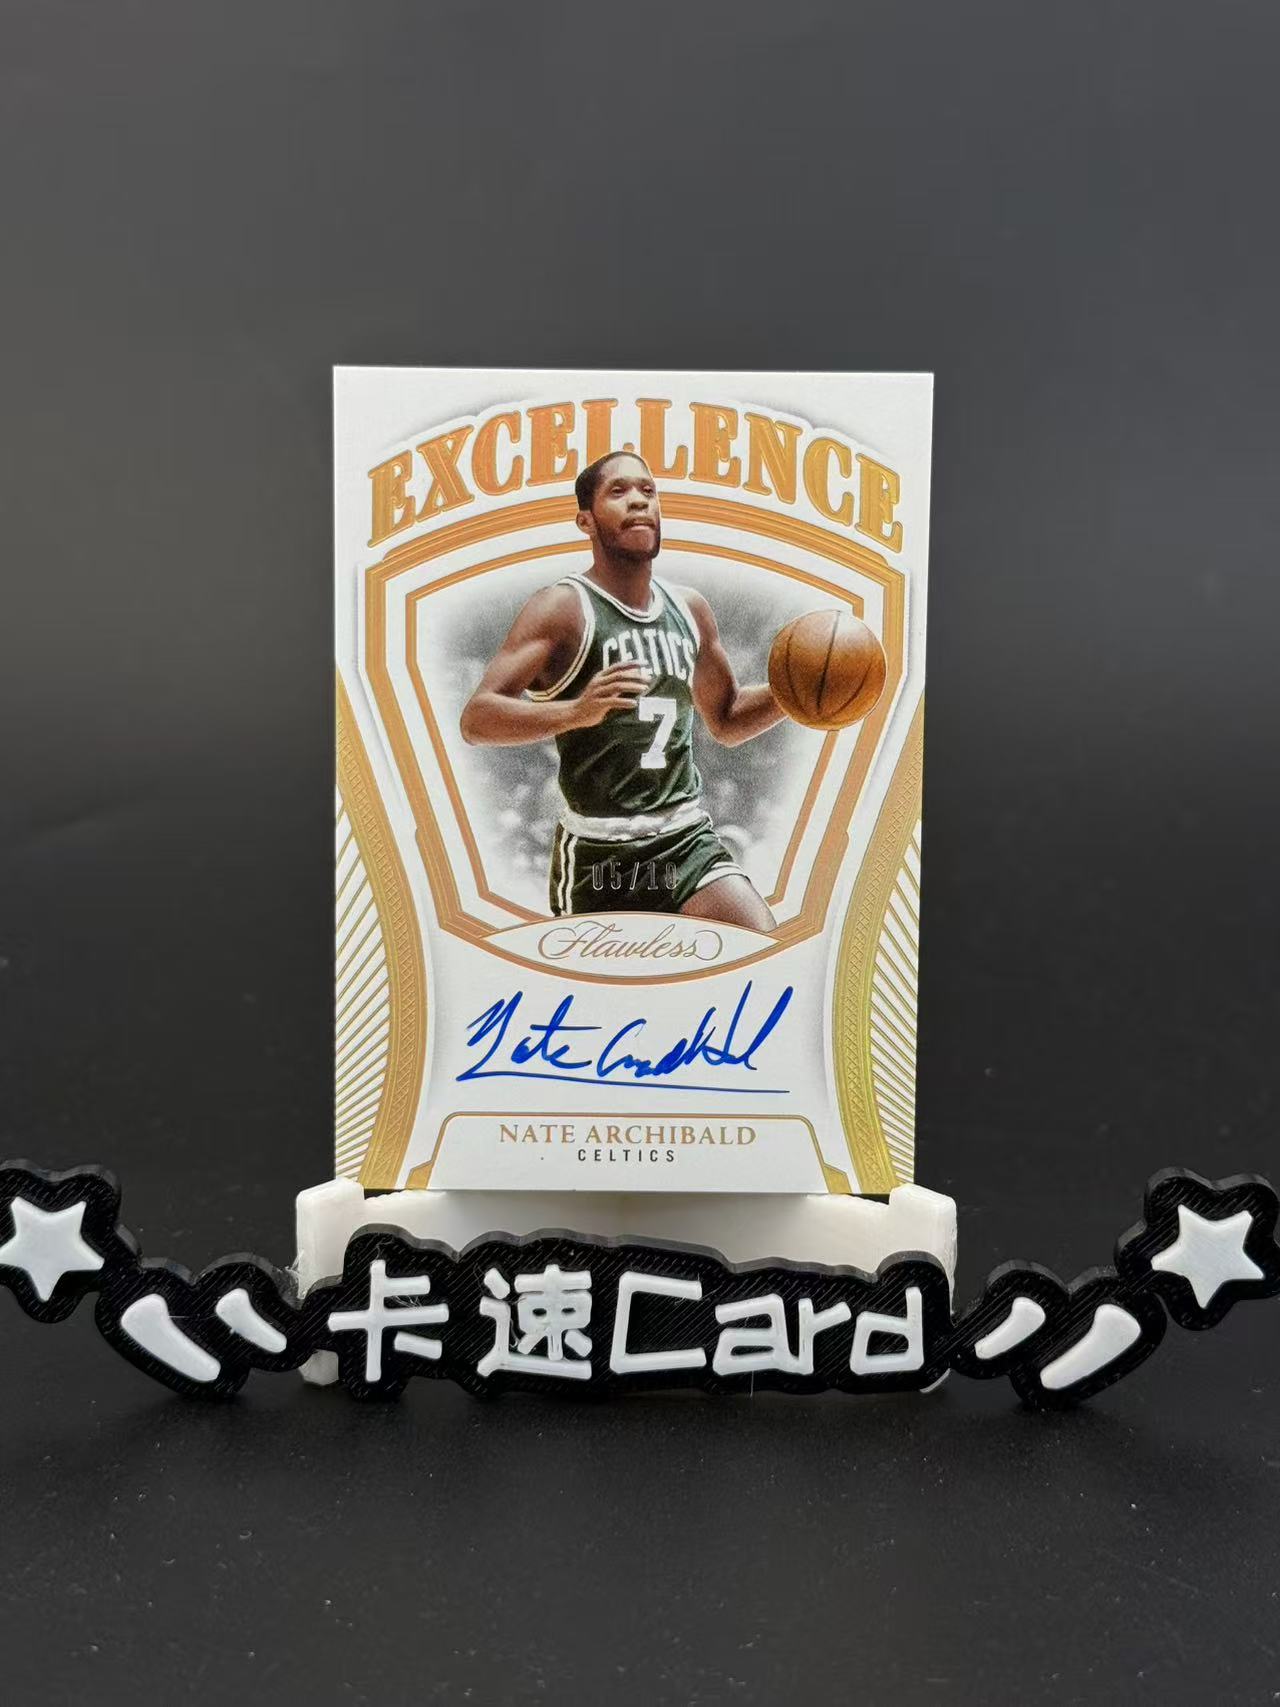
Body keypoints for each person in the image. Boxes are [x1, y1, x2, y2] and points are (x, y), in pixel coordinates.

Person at [459, 451, 784, 928]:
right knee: (605, 975)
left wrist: (793, 693)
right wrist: (577, 711)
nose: (638, 501)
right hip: (600, 854)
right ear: (585, 521)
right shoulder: (561, 608)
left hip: (684, 840)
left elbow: (728, 718)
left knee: (760, 943)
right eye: (619, 491)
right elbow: (477, 719)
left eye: (648, 491)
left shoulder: (690, 609)